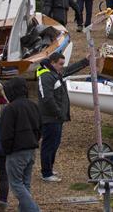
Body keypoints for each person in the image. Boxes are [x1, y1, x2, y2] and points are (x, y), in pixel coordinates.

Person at [0, 77, 41, 212]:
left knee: (16, 184)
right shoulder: (33, 105)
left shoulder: (10, 109)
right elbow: (40, 128)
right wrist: (34, 141)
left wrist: (7, 150)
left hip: (16, 151)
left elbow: (6, 133)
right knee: (25, 184)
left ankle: (34, 210)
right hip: (31, 150)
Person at [36, 53, 71, 182]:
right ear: (52, 62)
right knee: (49, 145)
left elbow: (70, 69)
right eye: (60, 64)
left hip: (57, 117)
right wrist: (58, 113)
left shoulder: (54, 73)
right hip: (51, 118)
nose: (62, 67)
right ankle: (46, 173)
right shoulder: (46, 76)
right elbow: (47, 99)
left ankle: (49, 168)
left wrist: (85, 61)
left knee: (54, 144)